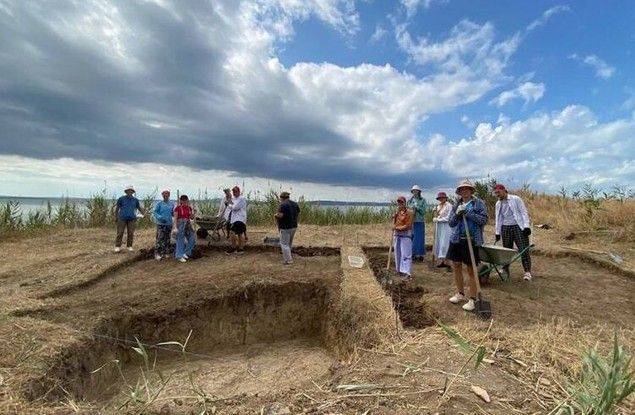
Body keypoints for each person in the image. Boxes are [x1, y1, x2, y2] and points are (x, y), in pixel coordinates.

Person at [446, 180, 488, 312]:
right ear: (459, 191)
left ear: (471, 190)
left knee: (471, 270)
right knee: (456, 266)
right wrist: (458, 214)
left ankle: (473, 299)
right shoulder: (457, 204)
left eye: (467, 189)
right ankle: (460, 293)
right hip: (457, 240)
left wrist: (468, 214)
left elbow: (484, 220)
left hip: (471, 240)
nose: (464, 191)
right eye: (462, 189)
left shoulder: (478, 203)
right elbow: (451, 223)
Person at [493, 184, 533, 281]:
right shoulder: (498, 204)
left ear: (504, 190)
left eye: (498, 192)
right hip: (505, 228)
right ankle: (505, 269)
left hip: (518, 227)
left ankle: (527, 272)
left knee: (523, 249)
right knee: (506, 251)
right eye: (495, 193)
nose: (497, 195)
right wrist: (497, 232)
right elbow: (498, 218)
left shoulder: (516, 199)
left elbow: (523, 212)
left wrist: (526, 226)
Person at [114, 185, 145, 252]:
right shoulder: (121, 199)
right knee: (120, 232)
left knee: (130, 232)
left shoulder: (135, 200)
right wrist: (116, 217)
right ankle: (117, 246)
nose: (129, 192)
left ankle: (129, 246)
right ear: (126, 191)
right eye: (128, 190)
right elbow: (117, 208)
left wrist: (143, 213)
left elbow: (138, 207)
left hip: (132, 218)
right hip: (121, 218)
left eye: (131, 190)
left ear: (132, 192)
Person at [275, 191, 300, 265]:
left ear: (281, 198)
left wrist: (275, 215)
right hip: (294, 226)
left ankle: (288, 260)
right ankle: (289, 256)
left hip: (285, 227)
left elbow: (280, 216)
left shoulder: (283, 205)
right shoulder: (295, 204)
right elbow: (298, 214)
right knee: (289, 243)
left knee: (284, 244)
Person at [392, 196, 414, 278]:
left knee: (406, 254)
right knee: (397, 253)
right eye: (398, 203)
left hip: (406, 235)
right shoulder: (397, 212)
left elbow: (408, 225)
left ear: (405, 203)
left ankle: (407, 272)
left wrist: (397, 228)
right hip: (397, 235)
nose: (400, 204)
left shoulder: (410, 213)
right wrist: (394, 217)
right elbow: (395, 223)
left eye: (401, 202)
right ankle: (399, 270)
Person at [172, 194, 196, 262]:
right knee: (180, 240)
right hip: (180, 224)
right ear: (181, 201)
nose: (185, 202)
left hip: (187, 224)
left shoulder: (189, 208)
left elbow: (191, 218)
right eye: (183, 201)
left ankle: (185, 252)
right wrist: (175, 227)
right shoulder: (177, 208)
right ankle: (179, 256)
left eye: (186, 200)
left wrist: (194, 213)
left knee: (192, 238)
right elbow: (175, 218)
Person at [153, 189, 175, 261]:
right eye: (164, 194)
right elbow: (155, 212)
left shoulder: (171, 204)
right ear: (162, 195)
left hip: (169, 224)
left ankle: (166, 252)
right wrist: (160, 217)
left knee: (167, 239)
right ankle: (157, 254)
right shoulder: (159, 204)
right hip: (161, 224)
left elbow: (173, 213)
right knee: (160, 239)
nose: (166, 195)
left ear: (169, 195)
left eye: (167, 194)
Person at [432, 192, 452, 269]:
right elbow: (437, 215)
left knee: (445, 243)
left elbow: (448, 218)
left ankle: (448, 262)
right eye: (440, 198)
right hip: (439, 227)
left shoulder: (449, 206)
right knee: (439, 242)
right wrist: (436, 216)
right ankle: (442, 261)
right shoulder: (438, 206)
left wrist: (438, 220)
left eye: (442, 198)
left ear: (445, 198)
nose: (441, 199)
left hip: (446, 227)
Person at [407, 185, 427, 261]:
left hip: (419, 221)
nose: (415, 192)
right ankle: (413, 254)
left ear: (419, 191)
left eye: (416, 190)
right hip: (411, 221)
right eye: (413, 191)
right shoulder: (410, 201)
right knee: (412, 237)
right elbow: (408, 210)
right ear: (412, 192)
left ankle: (420, 254)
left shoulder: (423, 200)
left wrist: (417, 208)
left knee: (419, 238)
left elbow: (424, 210)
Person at [227, 186, 247, 254]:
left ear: (239, 191)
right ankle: (238, 248)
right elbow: (232, 204)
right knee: (238, 233)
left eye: (235, 192)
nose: (234, 193)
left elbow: (235, 207)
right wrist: (229, 200)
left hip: (240, 218)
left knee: (236, 233)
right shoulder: (234, 198)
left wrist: (229, 205)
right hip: (234, 219)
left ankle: (237, 248)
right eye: (233, 192)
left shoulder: (242, 198)